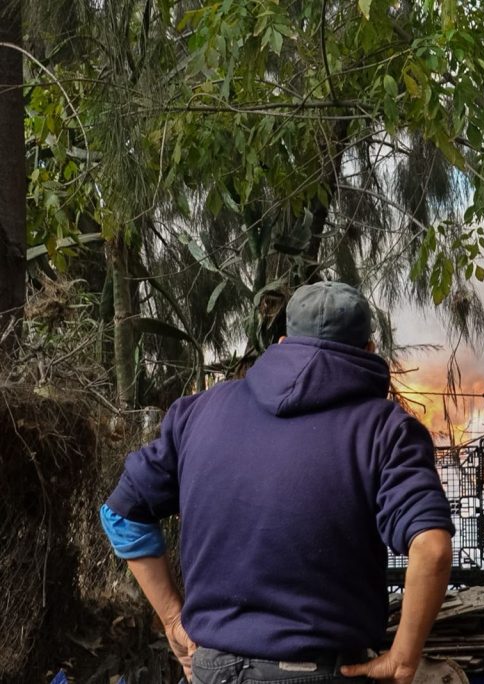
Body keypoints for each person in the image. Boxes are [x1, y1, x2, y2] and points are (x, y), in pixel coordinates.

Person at [100, 281, 455, 684]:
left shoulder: (198, 412)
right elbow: (432, 548)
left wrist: (172, 620)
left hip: (211, 670)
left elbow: (121, 514)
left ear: (283, 342)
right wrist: (404, 658)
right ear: (370, 350)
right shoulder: (386, 429)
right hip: (321, 673)